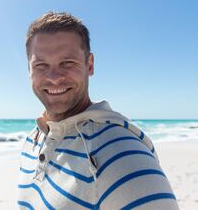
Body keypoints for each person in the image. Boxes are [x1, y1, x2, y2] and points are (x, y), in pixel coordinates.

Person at [17, 12, 179, 209]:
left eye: (67, 63)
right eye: (41, 65)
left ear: (90, 64)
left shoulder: (123, 156)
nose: (54, 77)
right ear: (29, 70)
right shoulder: (32, 141)